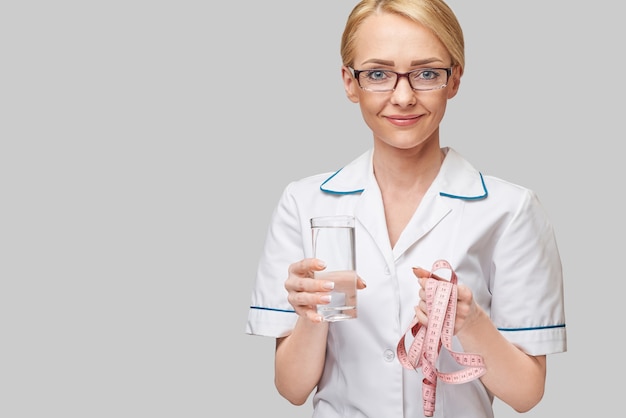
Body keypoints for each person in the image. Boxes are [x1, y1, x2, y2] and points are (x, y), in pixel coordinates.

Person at [245, 0, 567, 416]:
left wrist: (469, 323)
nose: (402, 96)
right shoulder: (303, 203)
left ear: (454, 79)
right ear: (349, 82)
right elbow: (291, 388)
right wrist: (311, 315)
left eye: (426, 73)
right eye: (378, 74)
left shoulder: (512, 211)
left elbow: (527, 394)